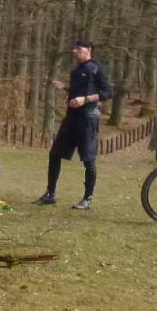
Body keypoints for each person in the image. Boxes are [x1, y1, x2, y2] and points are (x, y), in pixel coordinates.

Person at [36, 38, 113, 210]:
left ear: (88, 50)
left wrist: (85, 99)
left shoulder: (97, 68)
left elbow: (107, 93)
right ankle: (50, 194)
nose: (74, 51)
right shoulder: (76, 69)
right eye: (74, 48)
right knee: (55, 154)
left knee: (88, 160)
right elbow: (78, 91)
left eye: (78, 49)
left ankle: (87, 198)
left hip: (88, 118)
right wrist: (64, 87)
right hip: (71, 118)